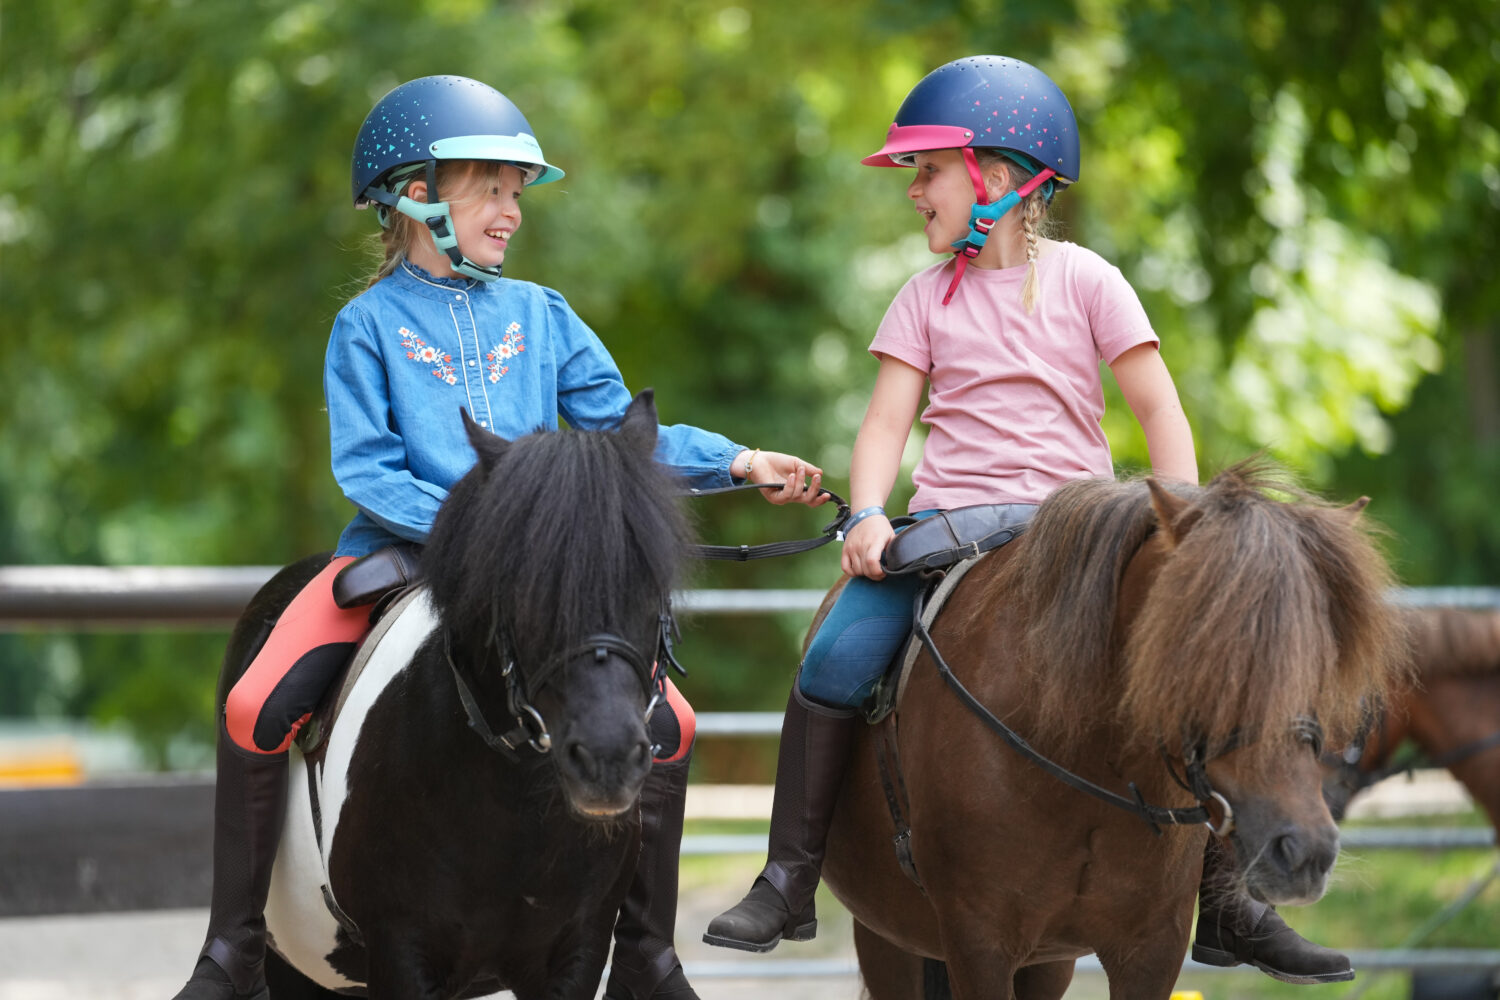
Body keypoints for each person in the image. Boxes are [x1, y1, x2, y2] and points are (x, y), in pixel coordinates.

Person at [170, 75, 827, 1000]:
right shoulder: (364, 326)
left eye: (517, 193)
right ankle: (233, 946)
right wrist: (487, 533)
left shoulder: (545, 316)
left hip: (534, 574)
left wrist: (740, 462)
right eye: (492, 188)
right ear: (416, 195)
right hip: (398, 552)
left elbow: (621, 432)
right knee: (253, 705)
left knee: (668, 720)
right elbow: (366, 469)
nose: (511, 212)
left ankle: (645, 949)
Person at [704, 54, 1354, 986]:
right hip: (951, 530)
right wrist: (873, 512)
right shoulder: (924, 298)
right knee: (833, 660)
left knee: (1196, 677)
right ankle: (789, 876)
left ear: (999, 179)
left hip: (1083, 536)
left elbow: (1159, 410)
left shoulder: (1091, 280)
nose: (912, 190)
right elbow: (887, 420)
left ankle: (1228, 902)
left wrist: (1187, 533)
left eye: (926, 170)